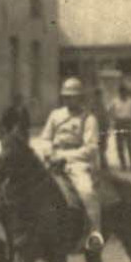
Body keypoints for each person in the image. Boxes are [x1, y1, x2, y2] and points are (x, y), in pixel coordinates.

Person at [40, 77, 105, 252]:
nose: (69, 99)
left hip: (77, 163)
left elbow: (91, 147)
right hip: (53, 159)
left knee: (87, 191)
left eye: (73, 96)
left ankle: (95, 233)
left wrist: (66, 157)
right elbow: (45, 138)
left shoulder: (88, 118)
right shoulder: (56, 115)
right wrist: (49, 153)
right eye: (66, 96)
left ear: (80, 97)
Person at [109, 83, 131, 171]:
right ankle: (123, 165)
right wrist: (113, 120)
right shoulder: (114, 101)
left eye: (124, 92)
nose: (123, 93)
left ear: (126, 92)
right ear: (119, 93)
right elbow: (109, 111)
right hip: (119, 123)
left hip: (128, 123)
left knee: (130, 145)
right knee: (120, 146)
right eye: (121, 92)